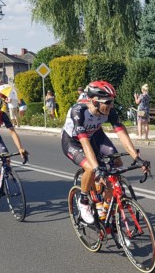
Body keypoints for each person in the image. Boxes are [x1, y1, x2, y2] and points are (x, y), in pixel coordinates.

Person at [61, 81, 149, 224]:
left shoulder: (109, 110)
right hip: (73, 141)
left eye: (112, 101)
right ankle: (84, 201)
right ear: (95, 102)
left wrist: (137, 158)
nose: (111, 106)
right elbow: (84, 143)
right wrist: (97, 168)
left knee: (116, 162)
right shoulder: (79, 111)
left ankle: (106, 206)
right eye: (107, 102)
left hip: (94, 135)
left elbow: (122, 134)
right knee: (91, 168)